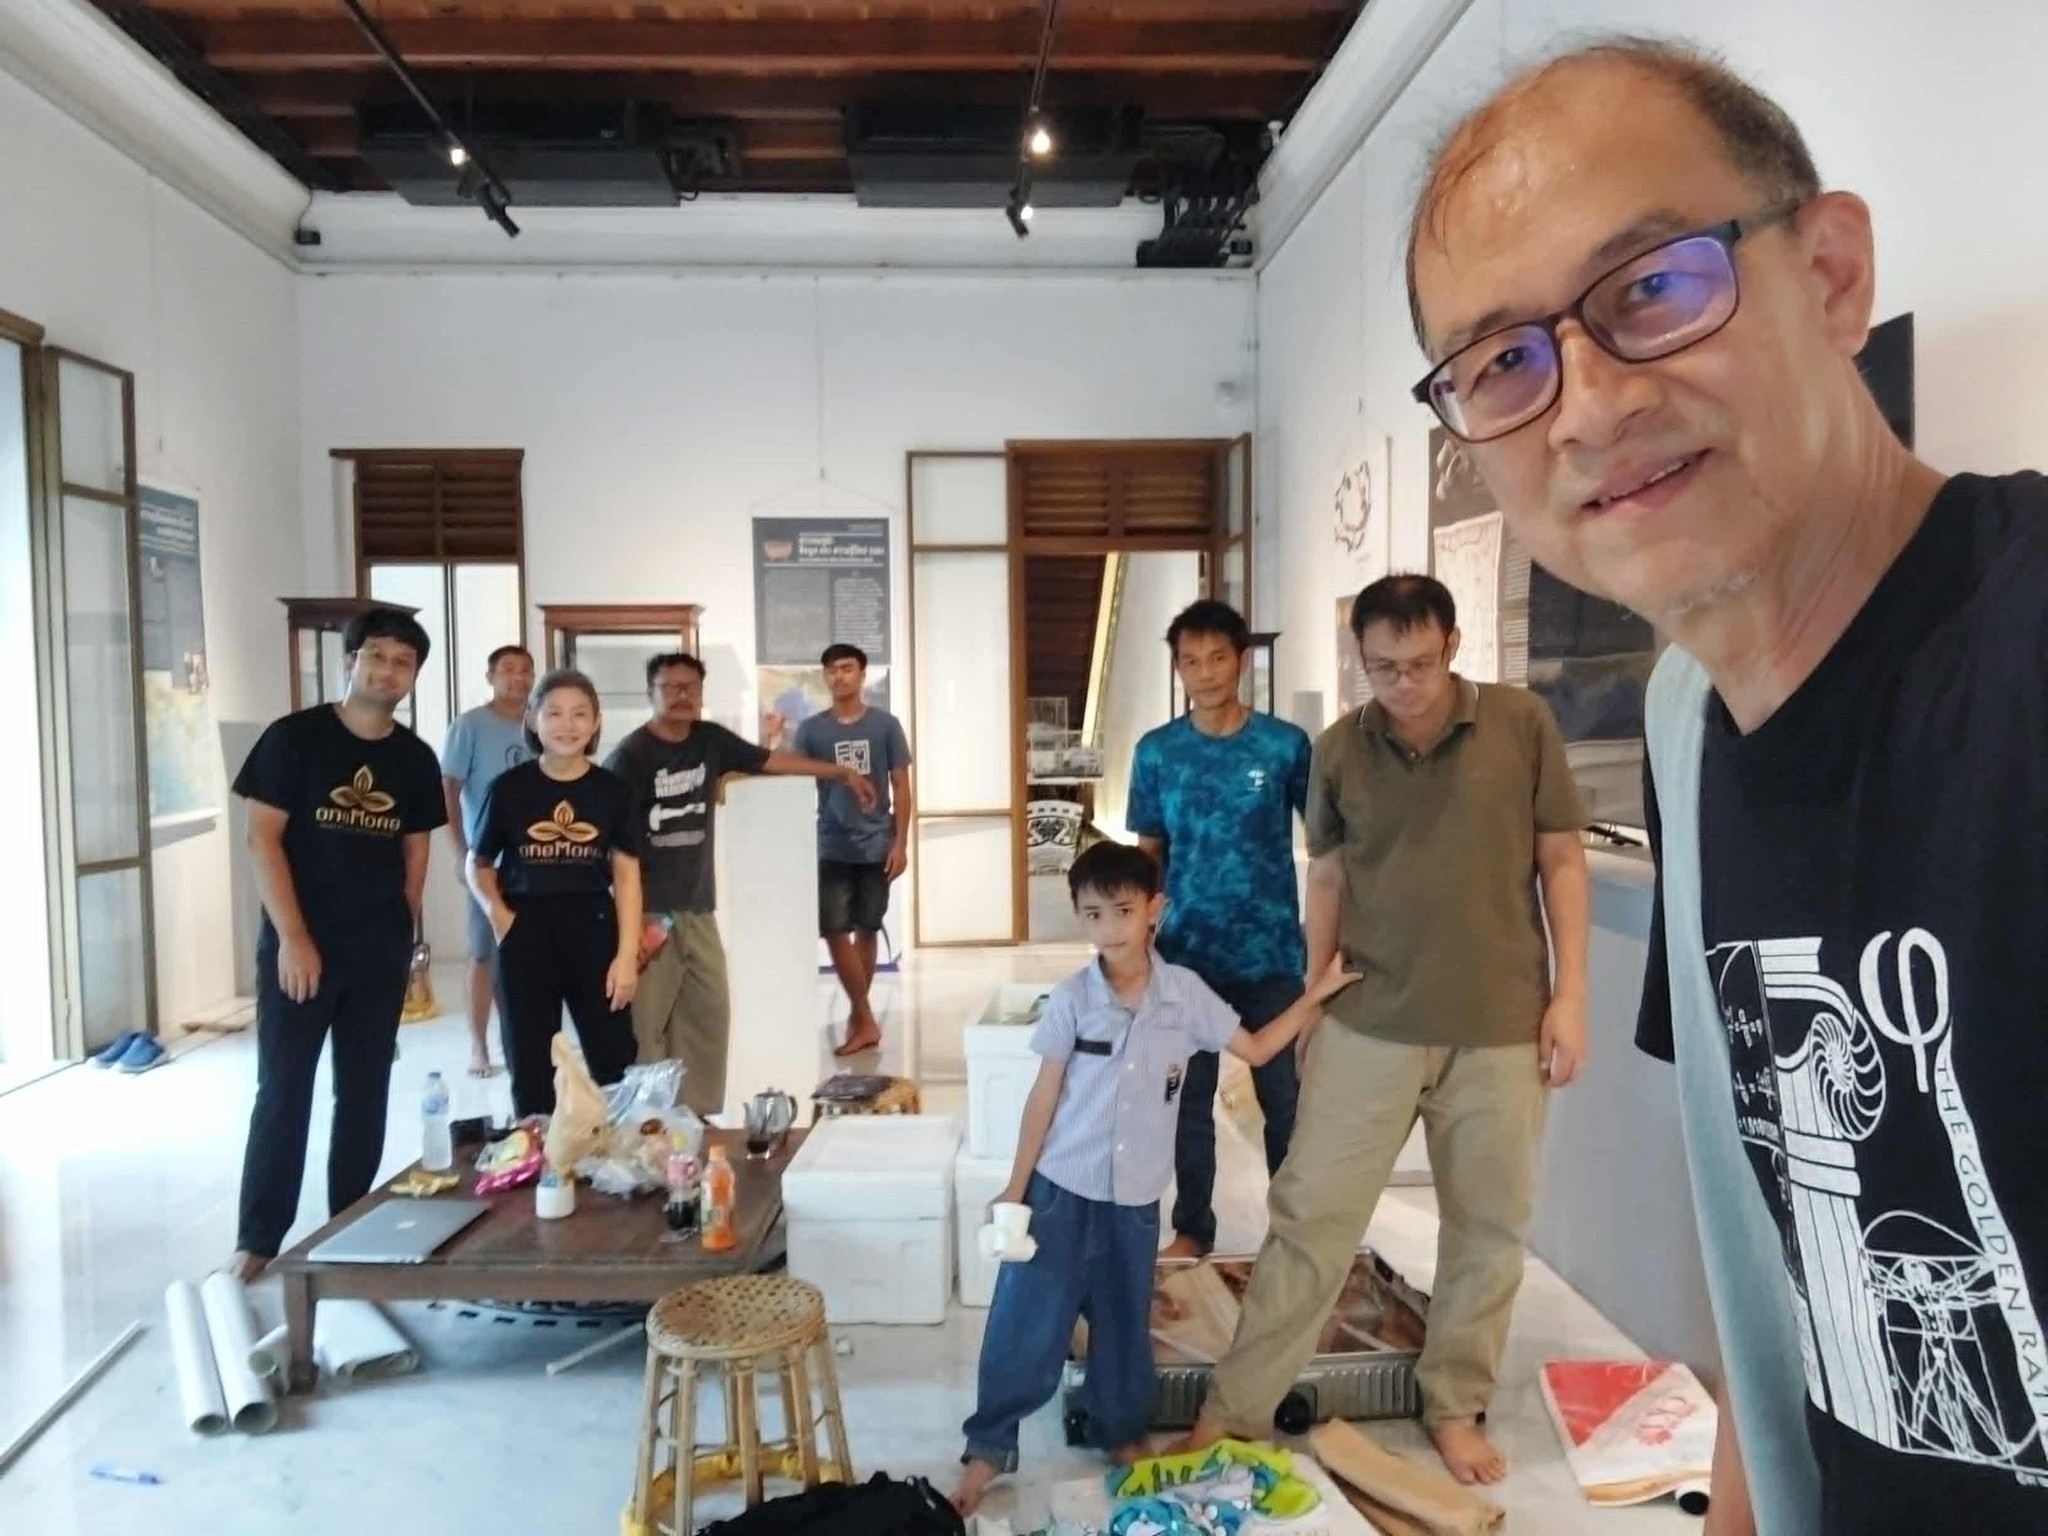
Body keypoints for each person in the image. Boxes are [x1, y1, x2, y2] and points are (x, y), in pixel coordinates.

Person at [1403, 36, 2048, 1534]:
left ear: (1830, 277)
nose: (1584, 409)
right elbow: (1790, 1267)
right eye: (1504, 364)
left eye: (1649, 289)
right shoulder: (1688, 721)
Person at [1181, 574, 1589, 1485]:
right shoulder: (1338, 749)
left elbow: (1561, 860)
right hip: (1370, 1022)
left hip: (1499, 1027)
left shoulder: (1520, 725)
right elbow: (1327, 878)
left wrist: (1571, 997)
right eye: (1382, 667)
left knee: (1488, 1227)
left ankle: (1454, 1404)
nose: (1403, 683)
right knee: (1310, 1216)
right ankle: (1233, 1409)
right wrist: (1312, 1003)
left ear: (1451, 646)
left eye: (1419, 664)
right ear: (1360, 658)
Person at [952, 841, 1360, 1517]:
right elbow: (1043, 1096)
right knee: (1028, 1320)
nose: (1110, 928)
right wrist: (1015, 1187)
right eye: (1094, 914)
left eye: (1123, 910)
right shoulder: (1072, 1000)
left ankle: (1122, 1433)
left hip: (1135, 1201)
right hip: (1060, 1190)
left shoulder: (1186, 997)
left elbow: (1258, 1047)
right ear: (1079, 917)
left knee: (1122, 1324)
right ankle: (987, 1449)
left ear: (1155, 911)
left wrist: (1316, 994)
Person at [227, 606, 446, 1283]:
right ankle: (258, 1238)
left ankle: (348, 1224)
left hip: (376, 951)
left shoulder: (414, 758)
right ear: (350, 660)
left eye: (403, 662)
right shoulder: (294, 739)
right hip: (301, 947)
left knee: (364, 1090)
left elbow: (415, 855)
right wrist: (293, 938)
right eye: (376, 656)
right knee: (284, 1089)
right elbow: (261, 839)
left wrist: (405, 938)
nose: (388, 671)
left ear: (413, 676)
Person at [605, 652, 876, 1116]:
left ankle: (692, 1118)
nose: (682, 695)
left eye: (690, 687)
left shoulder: (709, 740)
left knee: (708, 1016)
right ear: (651, 693)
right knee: (645, 1027)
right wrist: (627, 935)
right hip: (648, 914)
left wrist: (841, 772)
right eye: (670, 687)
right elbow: (614, 855)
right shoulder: (629, 758)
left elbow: (771, 760)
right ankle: (645, 1123)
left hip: (698, 909)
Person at [1127, 599, 1313, 1260]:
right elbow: (1149, 852)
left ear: (1242, 660)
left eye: (1216, 658)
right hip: (1186, 956)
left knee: (1287, 1102)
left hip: (1272, 954)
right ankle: (1193, 1228)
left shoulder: (1285, 746)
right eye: (1190, 661)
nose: (1204, 673)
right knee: (1187, 1102)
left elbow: (1328, 844)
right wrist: (1139, 937)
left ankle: (1295, 1234)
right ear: (1178, 668)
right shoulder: (1157, 752)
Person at [467, 670, 640, 1119]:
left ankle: (619, 1153)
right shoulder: (509, 789)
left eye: (580, 714)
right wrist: (500, 916)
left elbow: (626, 876)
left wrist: (626, 956)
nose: (567, 725)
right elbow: (477, 863)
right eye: (555, 713)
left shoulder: (613, 791)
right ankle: (537, 1153)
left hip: (594, 931)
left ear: (596, 722)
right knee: (529, 1063)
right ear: (533, 720)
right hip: (525, 931)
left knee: (614, 1059)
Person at [790, 643, 913, 1057]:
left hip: (876, 844)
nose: (838, 676)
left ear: (862, 674)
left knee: (867, 927)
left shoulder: (886, 726)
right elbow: (792, 777)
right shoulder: (811, 730)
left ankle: (860, 1021)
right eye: (831, 670)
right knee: (832, 928)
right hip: (830, 842)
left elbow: (901, 787)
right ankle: (865, 1016)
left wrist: (900, 843)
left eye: (846, 668)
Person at [440, 643, 536, 1077]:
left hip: (536, 860)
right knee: (484, 954)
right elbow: (449, 788)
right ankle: (479, 1047)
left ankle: (523, 1044)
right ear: (491, 677)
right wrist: (462, 852)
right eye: (508, 669)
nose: (518, 677)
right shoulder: (471, 725)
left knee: (529, 956)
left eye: (525, 670)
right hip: (487, 862)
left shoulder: (540, 722)